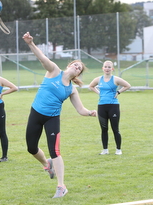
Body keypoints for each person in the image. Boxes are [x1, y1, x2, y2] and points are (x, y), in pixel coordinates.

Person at [22, 32, 97, 198]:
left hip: (52, 119)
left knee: (55, 150)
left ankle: (61, 186)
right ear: (69, 65)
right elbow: (42, 58)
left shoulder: (71, 89)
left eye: (79, 68)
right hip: (35, 113)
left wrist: (91, 113)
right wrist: (30, 44)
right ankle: (46, 164)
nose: (76, 67)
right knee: (31, 147)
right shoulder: (54, 71)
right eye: (75, 64)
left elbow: (80, 109)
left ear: (77, 74)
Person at [89, 60, 131, 155]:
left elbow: (127, 85)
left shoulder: (115, 79)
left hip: (113, 106)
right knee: (104, 129)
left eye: (109, 67)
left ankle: (118, 149)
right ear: (102, 68)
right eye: (105, 67)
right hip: (102, 106)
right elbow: (91, 86)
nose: (107, 68)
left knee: (115, 129)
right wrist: (98, 92)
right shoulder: (98, 79)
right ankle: (105, 150)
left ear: (112, 69)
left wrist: (118, 92)